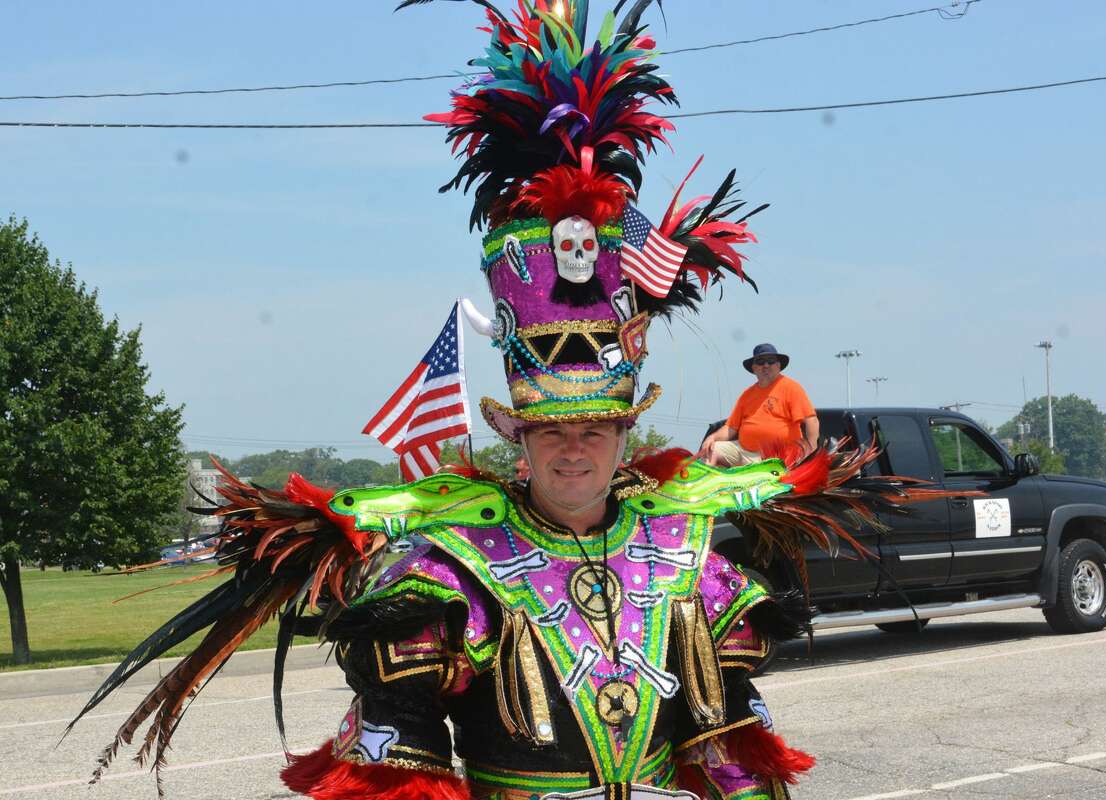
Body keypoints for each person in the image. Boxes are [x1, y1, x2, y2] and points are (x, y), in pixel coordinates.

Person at [70, 4, 949, 798]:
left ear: (624, 432)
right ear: (515, 437)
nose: (575, 448)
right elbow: (399, 764)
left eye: (595, 430)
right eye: (552, 431)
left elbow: (728, 744)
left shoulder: (681, 549)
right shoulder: (452, 567)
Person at [699, 344, 819, 467]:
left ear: (778, 366)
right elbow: (731, 428)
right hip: (743, 452)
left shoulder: (791, 388)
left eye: (770, 361)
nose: (766, 365)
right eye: (760, 362)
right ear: (754, 368)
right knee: (711, 449)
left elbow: (811, 420)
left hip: (778, 458)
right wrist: (712, 438)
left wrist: (811, 452)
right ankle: (703, 484)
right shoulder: (747, 394)